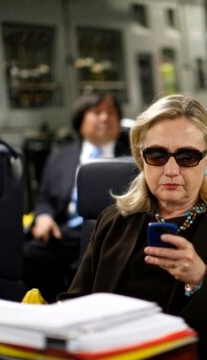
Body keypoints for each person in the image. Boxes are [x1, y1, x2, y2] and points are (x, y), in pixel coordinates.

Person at [59, 94, 207, 359]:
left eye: (187, 156)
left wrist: (199, 279)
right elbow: (75, 304)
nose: (170, 170)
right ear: (141, 157)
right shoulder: (114, 220)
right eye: (156, 154)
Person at [24, 92, 130, 302]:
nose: (105, 118)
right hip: (63, 233)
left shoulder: (133, 157)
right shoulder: (60, 156)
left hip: (110, 235)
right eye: (96, 112)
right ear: (80, 121)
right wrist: (44, 216)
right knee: (27, 256)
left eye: (110, 112)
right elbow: (44, 197)